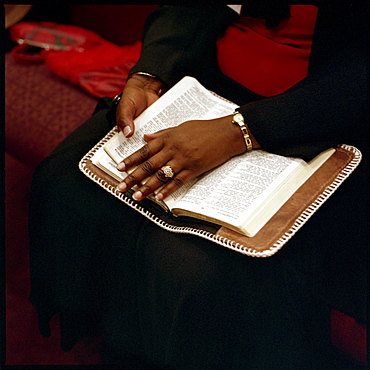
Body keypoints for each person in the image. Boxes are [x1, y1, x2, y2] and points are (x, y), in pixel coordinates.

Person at [28, 3, 367, 368]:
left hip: (317, 114)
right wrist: (148, 73)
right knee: (68, 183)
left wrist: (242, 130)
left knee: (192, 266)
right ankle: (117, 343)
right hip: (203, 82)